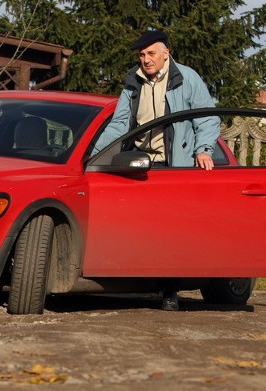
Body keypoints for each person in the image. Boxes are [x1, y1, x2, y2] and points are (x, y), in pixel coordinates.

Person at [93, 30, 221, 311]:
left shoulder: (187, 78)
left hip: (173, 163)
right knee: (135, 224)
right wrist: (94, 155)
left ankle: (170, 292)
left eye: (151, 53)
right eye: (141, 55)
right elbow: (119, 123)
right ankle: (128, 281)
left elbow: (207, 118)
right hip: (137, 161)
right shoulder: (133, 81)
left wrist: (203, 150)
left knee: (171, 229)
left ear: (166, 53)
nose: (146, 59)